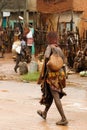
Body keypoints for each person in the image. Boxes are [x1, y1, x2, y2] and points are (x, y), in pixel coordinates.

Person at [37, 31, 68, 125]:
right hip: (60, 75)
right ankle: (44, 113)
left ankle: (64, 118)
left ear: (49, 38)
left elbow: (46, 57)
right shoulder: (59, 48)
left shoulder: (50, 47)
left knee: (55, 96)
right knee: (50, 95)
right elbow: (63, 60)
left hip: (52, 77)